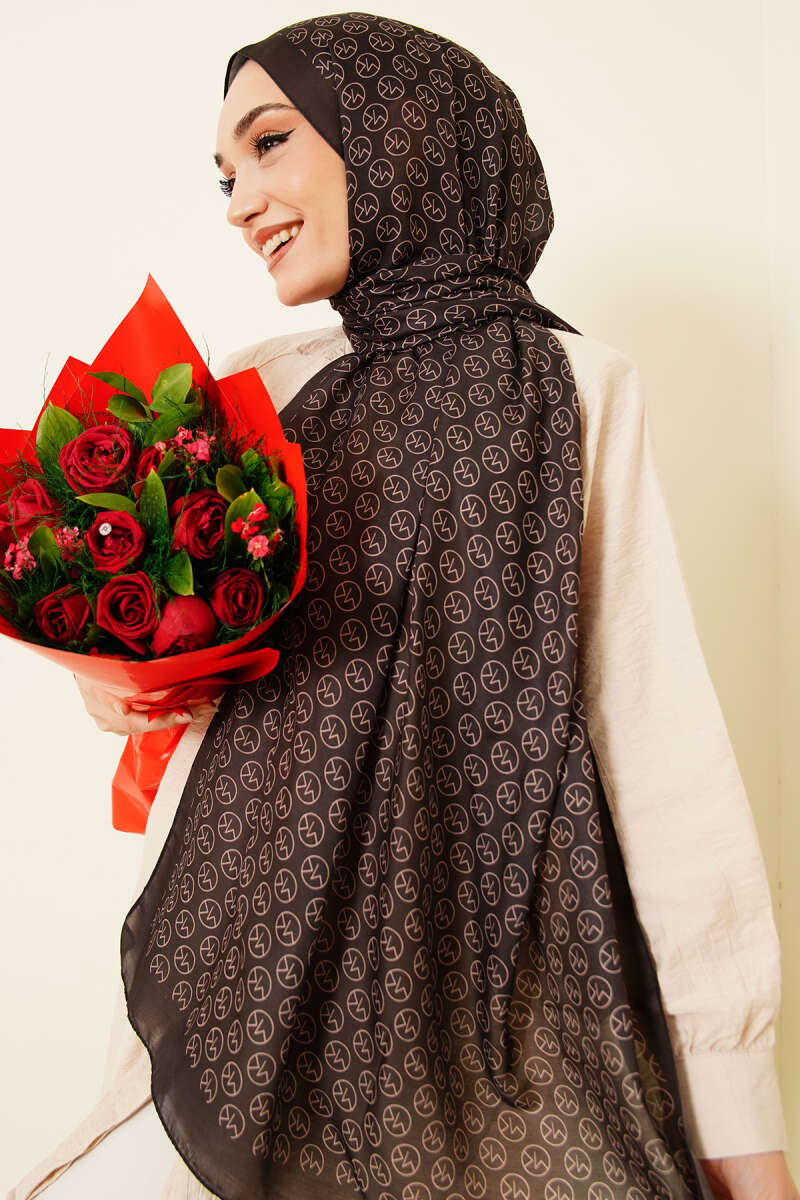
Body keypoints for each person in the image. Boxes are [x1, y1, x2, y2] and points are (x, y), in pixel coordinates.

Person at [7, 12, 797, 1200]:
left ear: (397, 134)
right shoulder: (256, 393)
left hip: (487, 983)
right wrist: (113, 682)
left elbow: (653, 736)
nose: (239, 202)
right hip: (238, 976)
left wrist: (739, 1117)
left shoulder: (571, 391)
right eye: (223, 175)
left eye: (269, 143)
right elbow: (195, 682)